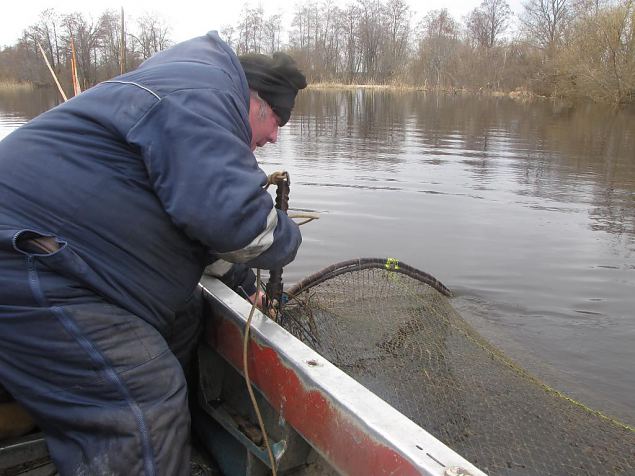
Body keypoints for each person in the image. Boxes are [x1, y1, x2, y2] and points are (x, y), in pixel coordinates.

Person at [0, 31, 306, 475]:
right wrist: (288, 241)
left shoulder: (186, 88)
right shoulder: (205, 95)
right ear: (252, 99)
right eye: (276, 118)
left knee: (185, 313)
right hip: (28, 263)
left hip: (57, 259)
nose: (276, 136)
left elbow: (192, 225)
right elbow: (238, 224)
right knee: (143, 399)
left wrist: (242, 286)